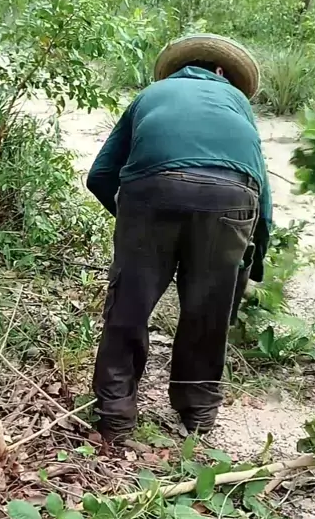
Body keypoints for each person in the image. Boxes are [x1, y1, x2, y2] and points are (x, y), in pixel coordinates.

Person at [87, 34, 272, 443]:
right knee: (209, 309)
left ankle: (115, 417)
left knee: (129, 305)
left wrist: (133, 222)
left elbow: (99, 175)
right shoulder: (237, 103)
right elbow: (261, 187)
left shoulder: (151, 94)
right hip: (231, 199)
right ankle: (198, 414)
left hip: (151, 192)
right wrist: (255, 253)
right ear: (222, 72)